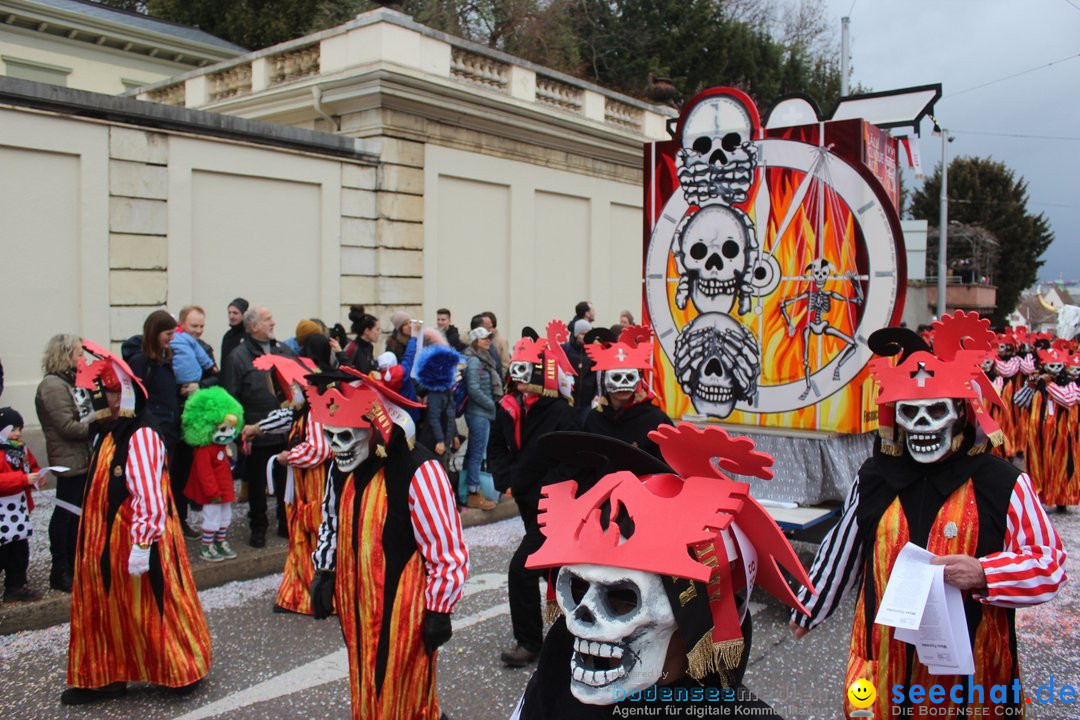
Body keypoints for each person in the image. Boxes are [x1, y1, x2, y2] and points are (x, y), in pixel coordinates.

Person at [790, 313, 1067, 718]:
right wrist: (810, 608)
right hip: (883, 667)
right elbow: (843, 549)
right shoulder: (875, 477)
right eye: (909, 411)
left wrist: (985, 573)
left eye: (934, 411)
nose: (921, 424)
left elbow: (1049, 562)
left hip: (969, 682)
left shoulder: (1002, 482)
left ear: (959, 412)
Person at [511, 425, 812, 718]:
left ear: (697, 616)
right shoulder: (556, 672)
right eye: (576, 587)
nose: (578, 621)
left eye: (623, 597)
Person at [308, 367, 469, 719]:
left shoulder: (419, 469)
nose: (337, 449)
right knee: (367, 683)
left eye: (346, 437)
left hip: (404, 612)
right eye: (330, 436)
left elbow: (446, 550)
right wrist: (325, 569)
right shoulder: (341, 468)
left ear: (374, 428)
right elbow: (331, 519)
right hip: (356, 604)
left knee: (405, 697)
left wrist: (440, 610)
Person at [63, 341, 211, 705]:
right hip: (104, 543)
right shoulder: (110, 432)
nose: (106, 401)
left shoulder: (142, 435)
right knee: (103, 608)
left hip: (136, 541)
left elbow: (150, 496)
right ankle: (105, 675)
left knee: (151, 606)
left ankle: (179, 668)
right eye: (103, 394)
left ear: (127, 396)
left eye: (112, 394)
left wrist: (143, 545)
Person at [489, 321, 579, 667]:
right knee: (553, 570)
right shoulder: (507, 407)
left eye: (529, 370)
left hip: (554, 508)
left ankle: (530, 642)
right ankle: (571, 632)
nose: (521, 376)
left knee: (522, 569)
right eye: (518, 369)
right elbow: (497, 448)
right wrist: (508, 478)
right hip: (528, 504)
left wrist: (545, 489)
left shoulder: (560, 412)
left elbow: (572, 459)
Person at [254, 353, 331, 615]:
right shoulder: (302, 412)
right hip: (302, 485)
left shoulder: (315, 413)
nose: (287, 393)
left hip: (316, 486)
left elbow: (319, 449)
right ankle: (297, 595)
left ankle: (319, 597)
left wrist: (290, 456)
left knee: (315, 538)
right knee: (301, 538)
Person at [221, 305, 296, 547]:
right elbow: (232, 400)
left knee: (287, 482)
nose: (273, 322)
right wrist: (240, 437)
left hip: (285, 433)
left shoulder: (284, 351)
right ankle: (258, 528)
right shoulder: (238, 357)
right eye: (267, 319)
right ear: (253, 326)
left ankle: (286, 523)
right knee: (257, 485)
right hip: (256, 434)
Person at [126, 310, 199, 540]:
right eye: (168, 333)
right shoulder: (140, 362)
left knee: (175, 481)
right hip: (154, 433)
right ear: (155, 333)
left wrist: (180, 392)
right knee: (156, 484)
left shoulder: (166, 358)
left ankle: (177, 522)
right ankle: (156, 526)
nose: (171, 338)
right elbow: (138, 399)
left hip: (172, 431)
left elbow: (164, 392)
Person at [34, 333, 93, 592]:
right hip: (68, 458)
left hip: (81, 456)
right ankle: (60, 570)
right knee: (66, 515)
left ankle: (74, 565)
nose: (83, 357)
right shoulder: (53, 386)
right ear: (65, 355)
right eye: (79, 353)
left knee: (76, 515)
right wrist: (98, 422)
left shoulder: (72, 382)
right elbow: (67, 427)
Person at [583, 325, 673, 458]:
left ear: (637, 379)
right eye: (616, 377)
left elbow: (670, 462)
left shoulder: (656, 419)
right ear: (605, 381)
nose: (624, 385)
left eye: (629, 377)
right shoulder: (595, 419)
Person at [181, 387, 243, 563]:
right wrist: (212, 493)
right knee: (212, 518)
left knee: (225, 517)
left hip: (224, 491)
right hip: (213, 494)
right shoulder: (204, 451)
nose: (228, 433)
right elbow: (204, 474)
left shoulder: (222, 447)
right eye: (223, 428)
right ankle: (206, 545)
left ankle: (220, 542)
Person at [0, 408, 45, 603]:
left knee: (20, 550)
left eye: (19, 428)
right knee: (3, 552)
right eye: (13, 429)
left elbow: (32, 466)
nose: (17, 433)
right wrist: (23, 478)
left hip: (19, 508)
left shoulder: (20, 449)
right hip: (3, 510)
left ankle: (16, 586)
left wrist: (37, 477)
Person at [461, 327, 499, 511]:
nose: (488, 341)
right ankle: (474, 494)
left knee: (473, 453)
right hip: (479, 413)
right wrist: (492, 404)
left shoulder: (483, 358)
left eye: (489, 338)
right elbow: (474, 389)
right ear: (475, 341)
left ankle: (466, 490)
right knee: (477, 454)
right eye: (484, 338)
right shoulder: (475, 361)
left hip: (481, 412)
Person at [562, 320, 596, 423]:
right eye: (582, 334)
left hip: (587, 403)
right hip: (569, 400)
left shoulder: (594, 352)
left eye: (587, 334)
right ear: (576, 334)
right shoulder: (565, 349)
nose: (585, 337)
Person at [221, 297, 249, 363]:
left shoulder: (250, 335)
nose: (231, 316)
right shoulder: (227, 336)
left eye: (235, 313)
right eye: (229, 313)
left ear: (244, 314)